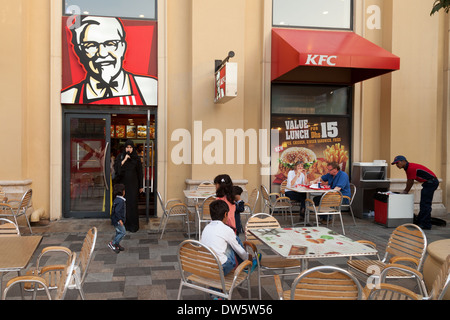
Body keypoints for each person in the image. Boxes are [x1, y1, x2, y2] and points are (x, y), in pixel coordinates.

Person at [61, 16, 157, 105]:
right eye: (91, 45)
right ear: (79, 51)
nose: (103, 53)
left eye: (111, 44)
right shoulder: (69, 97)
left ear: (123, 47)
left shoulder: (150, 87)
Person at [200, 200, 249, 277]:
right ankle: (245, 264)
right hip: (221, 268)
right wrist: (247, 259)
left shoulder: (206, 228)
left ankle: (215, 287)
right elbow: (239, 250)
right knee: (234, 240)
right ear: (226, 214)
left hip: (205, 266)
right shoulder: (226, 229)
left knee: (225, 242)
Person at [391, 155, 439, 230]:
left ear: (404, 161)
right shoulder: (408, 167)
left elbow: (410, 181)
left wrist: (405, 191)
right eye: (395, 164)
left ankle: (426, 224)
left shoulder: (410, 168)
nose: (397, 165)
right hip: (429, 183)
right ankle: (421, 221)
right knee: (424, 203)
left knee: (425, 203)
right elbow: (409, 181)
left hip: (431, 183)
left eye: (397, 163)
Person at [114, 140, 143, 232]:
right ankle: (124, 225)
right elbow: (117, 169)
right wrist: (125, 159)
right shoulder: (121, 157)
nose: (129, 149)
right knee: (124, 204)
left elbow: (140, 173)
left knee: (132, 204)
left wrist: (141, 186)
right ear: (125, 148)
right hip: (123, 186)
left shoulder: (136, 158)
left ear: (133, 148)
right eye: (127, 147)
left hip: (133, 185)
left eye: (130, 147)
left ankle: (133, 226)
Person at [108, 184, 126, 254]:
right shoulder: (120, 201)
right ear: (122, 192)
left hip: (115, 220)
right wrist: (120, 220)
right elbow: (117, 211)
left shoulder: (117, 199)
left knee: (118, 232)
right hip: (117, 221)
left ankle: (117, 244)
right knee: (123, 232)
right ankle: (113, 243)